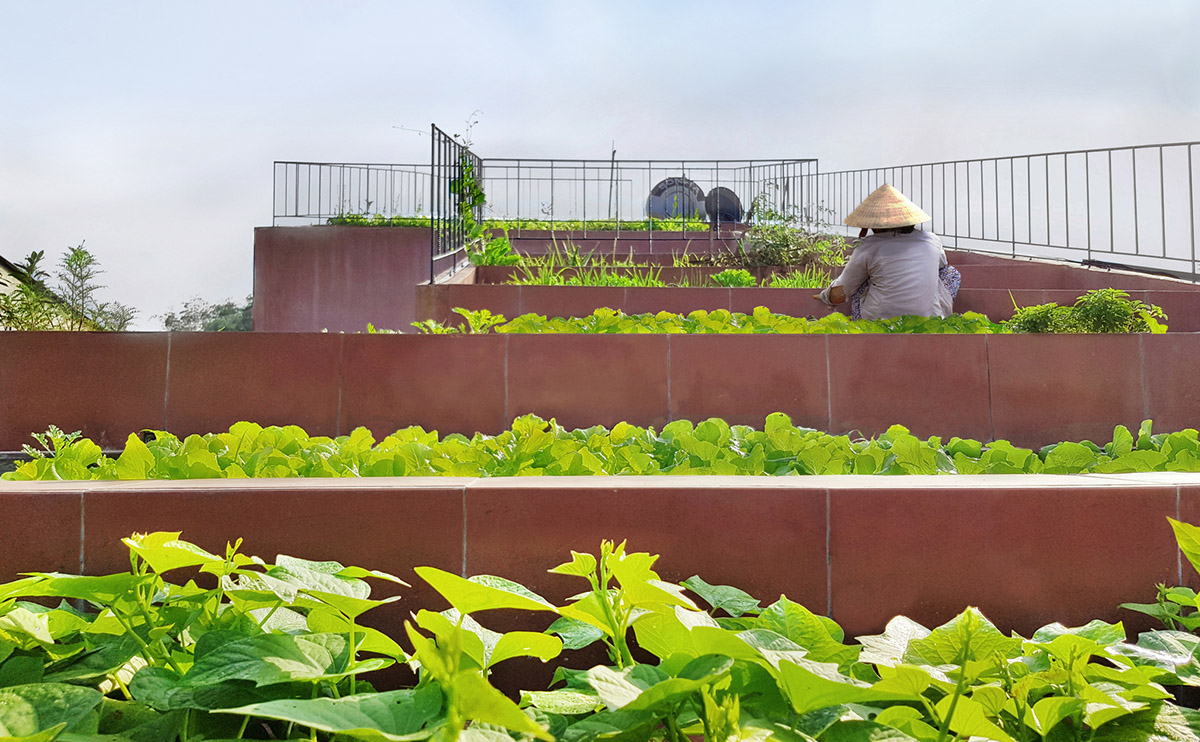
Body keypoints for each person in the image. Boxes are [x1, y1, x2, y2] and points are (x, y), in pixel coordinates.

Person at [814, 184, 958, 320]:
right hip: (930, 319)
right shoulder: (932, 240)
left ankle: (863, 325)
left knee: (861, 281)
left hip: (881, 320)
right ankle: (938, 316)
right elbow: (941, 264)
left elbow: (842, 291)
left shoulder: (868, 247)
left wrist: (824, 296)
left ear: (873, 225)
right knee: (951, 273)